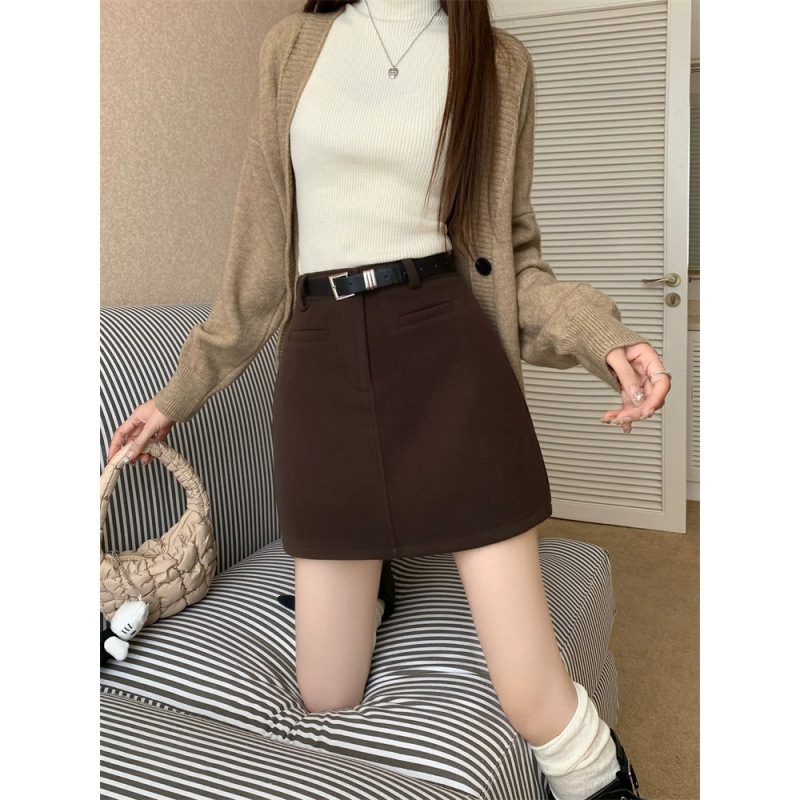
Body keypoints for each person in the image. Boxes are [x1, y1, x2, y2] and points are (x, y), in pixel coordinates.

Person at [107, 2, 671, 798]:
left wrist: (601, 335)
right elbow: (258, 257)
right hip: (321, 358)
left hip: (445, 347)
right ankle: (375, 587)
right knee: (325, 691)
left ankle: (599, 776)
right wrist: (178, 394)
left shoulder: (498, 61)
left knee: (531, 693)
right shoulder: (292, 47)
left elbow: (511, 258)